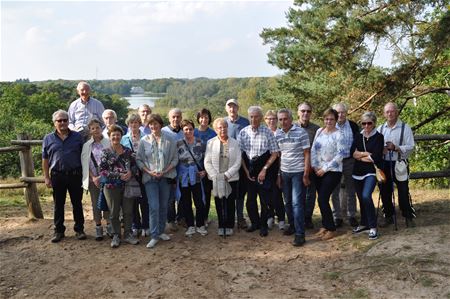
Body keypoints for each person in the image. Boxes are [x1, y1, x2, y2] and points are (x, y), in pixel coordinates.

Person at [42, 109, 86, 243]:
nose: (62, 123)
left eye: (65, 120)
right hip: (57, 175)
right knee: (58, 204)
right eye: (59, 120)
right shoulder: (48, 138)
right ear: (54, 123)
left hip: (75, 174)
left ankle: (79, 230)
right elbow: (45, 159)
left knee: (77, 203)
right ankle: (58, 231)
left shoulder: (77, 137)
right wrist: (46, 177)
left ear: (68, 121)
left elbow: (84, 156)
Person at [137, 114, 178, 248]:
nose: (153, 126)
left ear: (160, 124)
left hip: (165, 177)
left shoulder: (170, 140)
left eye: (156, 124)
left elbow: (175, 159)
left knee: (163, 206)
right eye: (151, 124)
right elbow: (139, 159)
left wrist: (165, 171)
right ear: (148, 126)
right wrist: (149, 171)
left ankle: (160, 231)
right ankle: (154, 235)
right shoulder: (144, 141)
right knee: (154, 206)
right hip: (150, 178)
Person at [238, 106, 280, 237]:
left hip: (264, 169)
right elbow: (240, 155)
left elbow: (274, 153)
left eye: (256, 116)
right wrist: (245, 172)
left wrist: (264, 170)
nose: (253, 119)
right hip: (249, 169)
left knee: (264, 200)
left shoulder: (267, 132)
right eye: (251, 116)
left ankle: (263, 226)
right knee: (250, 200)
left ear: (261, 118)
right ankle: (254, 223)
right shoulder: (243, 132)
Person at [99, 125, 139, 248]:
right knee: (114, 212)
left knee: (128, 211)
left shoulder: (128, 151)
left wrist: (131, 173)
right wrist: (119, 175)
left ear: (121, 136)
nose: (116, 137)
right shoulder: (105, 152)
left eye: (118, 134)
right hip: (111, 187)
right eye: (113, 135)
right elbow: (102, 171)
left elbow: (135, 166)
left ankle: (127, 234)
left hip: (127, 186)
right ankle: (116, 235)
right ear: (109, 137)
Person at [275, 109, 311, 246]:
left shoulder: (301, 132)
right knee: (288, 202)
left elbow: (307, 154)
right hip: (284, 172)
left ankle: (300, 234)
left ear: (291, 119)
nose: (283, 122)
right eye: (280, 119)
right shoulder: (278, 134)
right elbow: (279, 155)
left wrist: (306, 174)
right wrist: (278, 174)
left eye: (285, 119)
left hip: (298, 172)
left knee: (297, 204)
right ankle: (292, 225)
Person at [377, 102, 416, 227]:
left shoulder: (405, 128)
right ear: (384, 114)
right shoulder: (380, 129)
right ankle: (388, 216)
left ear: (397, 112)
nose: (390, 114)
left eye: (392, 111)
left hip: (400, 163)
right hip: (384, 164)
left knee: (403, 190)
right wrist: (380, 149)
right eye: (387, 111)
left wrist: (396, 147)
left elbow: (411, 147)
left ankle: (408, 216)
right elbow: (373, 145)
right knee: (384, 191)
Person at [311, 108, 346, 241]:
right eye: (326, 119)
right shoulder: (319, 131)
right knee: (321, 198)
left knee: (323, 199)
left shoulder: (339, 134)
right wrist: (314, 166)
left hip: (332, 171)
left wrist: (324, 169)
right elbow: (313, 149)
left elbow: (340, 155)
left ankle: (332, 228)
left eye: (331, 119)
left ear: (336, 120)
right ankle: (325, 226)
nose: (329, 121)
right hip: (317, 170)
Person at [204, 118, 242, 236]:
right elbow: (207, 161)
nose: (222, 129)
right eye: (219, 127)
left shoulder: (235, 143)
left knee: (230, 202)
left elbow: (238, 161)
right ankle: (221, 225)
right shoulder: (211, 143)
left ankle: (230, 225)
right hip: (216, 178)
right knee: (219, 201)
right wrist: (216, 176)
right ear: (215, 130)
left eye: (224, 127)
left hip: (231, 178)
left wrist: (227, 175)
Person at [352, 112, 384, 240]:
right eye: (363, 123)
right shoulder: (358, 136)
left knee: (366, 196)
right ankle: (364, 223)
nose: (366, 126)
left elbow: (375, 157)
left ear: (374, 123)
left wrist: (360, 156)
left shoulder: (379, 137)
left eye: (369, 123)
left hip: (371, 172)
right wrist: (365, 154)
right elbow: (352, 153)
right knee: (361, 198)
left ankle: (373, 226)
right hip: (357, 172)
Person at [81, 118, 112, 241]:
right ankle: (98, 228)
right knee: (96, 204)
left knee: (108, 203)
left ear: (101, 128)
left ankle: (109, 226)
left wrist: (103, 175)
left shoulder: (108, 143)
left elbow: (112, 161)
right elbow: (85, 163)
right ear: (90, 131)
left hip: (107, 178)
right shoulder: (86, 146)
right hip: (93, 180)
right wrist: (93, 177)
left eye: (98, 127)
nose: (95, 130)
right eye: (92, 128)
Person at [331, 102, 360, 228]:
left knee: (350, 189)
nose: (340, 114)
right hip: (335, 161)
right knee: (335, 190)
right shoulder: (330, 125)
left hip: (350, 160)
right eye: (338, 112)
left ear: (346, 113)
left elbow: (358, 141)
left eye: (343, 112)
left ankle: (351, 215)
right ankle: (337, 217)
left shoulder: (353, 126)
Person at [177, 120, 208, 236]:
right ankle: (190, 225)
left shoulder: (200, 142)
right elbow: (175, 160)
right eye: (186, 129)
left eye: (190, 129)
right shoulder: (178, 144)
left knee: (199, 201)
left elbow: (206, 158)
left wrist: (204, 170)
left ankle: (200, 225)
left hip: (197, 175)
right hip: (183, 176)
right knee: (186, 202)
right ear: (182, 131)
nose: (188, 131)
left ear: (193, 129)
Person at [121, 113, 149, 237]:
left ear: (139, 124)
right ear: (128, 124)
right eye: (131, 123)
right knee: (132, 200)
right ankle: (135, 225)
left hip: (144, 172)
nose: (134, 125)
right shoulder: (124, 139)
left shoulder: (146, 137)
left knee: (144, 200)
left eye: (136, 122)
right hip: (130, 174)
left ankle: (145, 225)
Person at [224, 98, 250, 229]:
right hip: (227, 162)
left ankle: (240, 217)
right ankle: (228, 218)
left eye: (234, 106)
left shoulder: (245, 122)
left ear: (237, 108)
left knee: (240, 192)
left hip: (242, 162)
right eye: (229, 107)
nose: (232, 109)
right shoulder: (223, 122)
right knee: (228, 191)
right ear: (226, 109)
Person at [297, 102, 321, 229]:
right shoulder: (291, 127)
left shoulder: (317, 129)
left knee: (310, 195)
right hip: (295, 166)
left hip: (311, 167)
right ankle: (297, 218)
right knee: (297, 195)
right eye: (303, 111)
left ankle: (307, 218)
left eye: (308, 111)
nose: (305, 113)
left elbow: (319, 149)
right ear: (298, 112)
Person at [162, 108, 184, 231]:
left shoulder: (185, 131)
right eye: (173, 117)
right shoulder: (164, 131)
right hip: (169, 169)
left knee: (183, 195)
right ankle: (170, 220)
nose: (176, 119)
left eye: (178, 116)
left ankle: (181, 217)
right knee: (170, 196)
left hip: (183, 169)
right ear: (169, 118)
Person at [194, 108, 217, 227]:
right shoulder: (193, 132)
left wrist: (208, 169)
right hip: (194, 169)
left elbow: (215, 152)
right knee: (196, 195)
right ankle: (197, 217)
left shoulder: (213, 133)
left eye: (206, 117)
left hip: (208, 169)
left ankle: (205, 217)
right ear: (198, 118)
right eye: (202, 117)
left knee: (207, 194)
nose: (204, 119)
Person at [264, 110, 286, 231]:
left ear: (277, 120)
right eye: (269, 119)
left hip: (278, 167)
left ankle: (281, 218)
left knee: (277, 195)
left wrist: (279, 173)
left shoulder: (281, 133)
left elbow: (281, 154)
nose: (271, 121)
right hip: (266, 168)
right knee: (267, 194)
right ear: (265, 120)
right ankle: (270, 216)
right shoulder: (264, 133)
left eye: (274, 119)